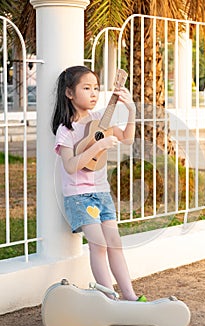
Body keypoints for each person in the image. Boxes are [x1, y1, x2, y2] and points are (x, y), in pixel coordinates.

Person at [52, 65, 146, 301]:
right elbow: (71, 165)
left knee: (114, 242)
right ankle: (108, 297)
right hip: (79, 197)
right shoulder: (66, 130)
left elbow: (126, 138)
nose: (93, 93)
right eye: (86, 88)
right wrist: (99, 146)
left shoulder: (99, 120)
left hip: (102, 194)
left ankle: (130, 295)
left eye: (96, 88)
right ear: (69, 93)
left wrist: (131, 110)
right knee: (99, 244)